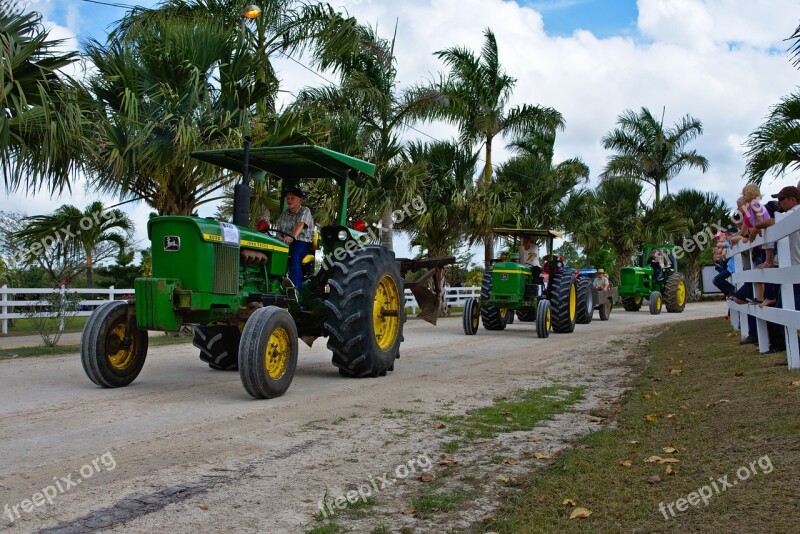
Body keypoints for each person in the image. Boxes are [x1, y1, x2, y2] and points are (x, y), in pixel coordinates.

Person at [276, 186, 314, 290]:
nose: (289, 200)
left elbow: (300, 224)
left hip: (301, 242)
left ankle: (295, 289)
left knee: (295, 255)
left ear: (300, 200)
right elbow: (278, 232)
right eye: (288, 198)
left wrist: (292, 237)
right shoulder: (284, 213)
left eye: (292, 198)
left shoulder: (305, 211)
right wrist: (280, 239)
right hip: (285, 243)